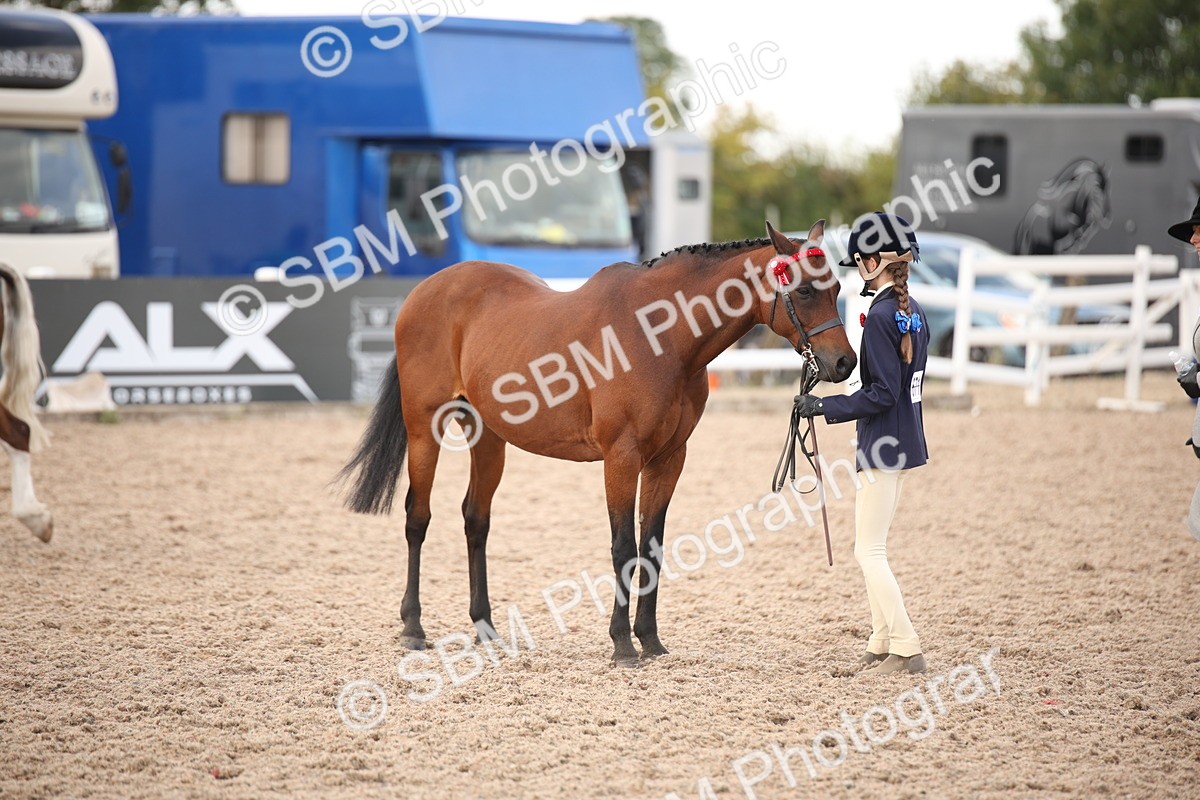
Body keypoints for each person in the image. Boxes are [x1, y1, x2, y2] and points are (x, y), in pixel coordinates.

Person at [794, 212, 930, 676]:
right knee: (873, 545)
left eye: (860, 262)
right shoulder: (912, 312)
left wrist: (824, 407)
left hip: (881, 441)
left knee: (868, 551)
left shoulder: (880, 318)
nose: (859, 269)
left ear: (875, 261)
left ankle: (907, 647)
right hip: (905, 437)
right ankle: (880, 640)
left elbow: (882, 392)